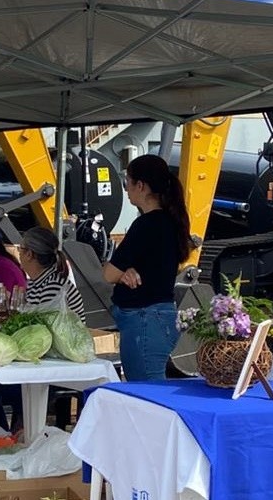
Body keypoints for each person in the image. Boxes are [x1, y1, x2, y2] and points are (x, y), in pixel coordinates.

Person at [102, 154, 191, 381]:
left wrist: (121, 272)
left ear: (140, 185)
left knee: (146, 393)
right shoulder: (171, 222)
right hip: (159, 315)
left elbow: (109, 273)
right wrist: (126, 271)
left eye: (128, 183)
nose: (126, 190)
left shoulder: (146, 224)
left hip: (144, 318)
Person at [18, 226, 86, 322]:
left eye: (20, 248)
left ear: (29, 254)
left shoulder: (53, 287)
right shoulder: (35, 283)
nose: (19, 253)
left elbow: (44, 328)